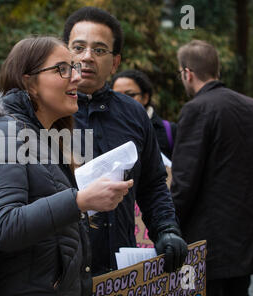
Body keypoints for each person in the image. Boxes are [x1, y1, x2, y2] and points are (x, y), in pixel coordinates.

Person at [0, 36, 134, 296]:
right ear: (29, 82)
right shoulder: (2, 135)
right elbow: (4, 227)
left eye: (75, 68)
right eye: (62, 68)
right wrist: (80, 200)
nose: (76, 77)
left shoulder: (41, 137)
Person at [62, 6, 188, 276]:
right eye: (78, 47)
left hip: (120, 267)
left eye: (99, 50)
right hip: (61, 271)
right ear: (64, 52)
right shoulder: (45, 111)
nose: (87, 57)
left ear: (115, 62)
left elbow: (153, 184)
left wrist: (166, 229)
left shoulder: (133, 113)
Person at [171, 39, 253, 296]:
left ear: (187, 73)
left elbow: (184, 179)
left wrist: (167, 223)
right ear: (217, 69)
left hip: (207, 237)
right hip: (246, 230)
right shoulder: (250, 106)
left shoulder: (197, 109)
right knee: (239, 294)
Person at [112, 70, 177, 159]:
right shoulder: (103, 128)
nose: (123, 100)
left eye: (130, 95)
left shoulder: (170, 131)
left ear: (145, 98)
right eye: (117, 96)